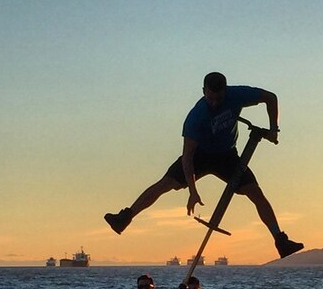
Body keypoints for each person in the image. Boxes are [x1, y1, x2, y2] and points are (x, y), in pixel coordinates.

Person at [104, 72, 304, 259]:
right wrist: (192, 190)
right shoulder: (196, 117)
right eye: (210, 98)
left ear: (225, 91)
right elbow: (188, 158)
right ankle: (125, 218)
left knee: (255, 193)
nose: (215, 103)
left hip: (227, 156)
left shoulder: (237, 95)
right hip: (200, 155)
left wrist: (274, 129)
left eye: (219, 98)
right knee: (165, 184)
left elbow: (271, 97)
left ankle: (280, 241)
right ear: (203, 92)